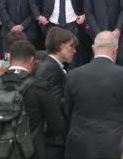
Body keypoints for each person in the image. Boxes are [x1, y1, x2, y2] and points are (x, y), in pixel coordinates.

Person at [0, 40, 65, 159]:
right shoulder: (39, 87)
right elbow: (57, 126)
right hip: (32, 152)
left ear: (10, 59)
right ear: (31, 60)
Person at [65, 31, 123, 159]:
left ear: (93, 48)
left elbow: (67, 110)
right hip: (116, 144)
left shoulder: (74, 75)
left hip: (81, 145)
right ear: (116, 49)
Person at [35, 27, 77, 158]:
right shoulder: (51, 68)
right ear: (61, 45)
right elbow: (55, 103)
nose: (74, 51)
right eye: (72, 46)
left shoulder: (49, 65)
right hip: (54, 139)